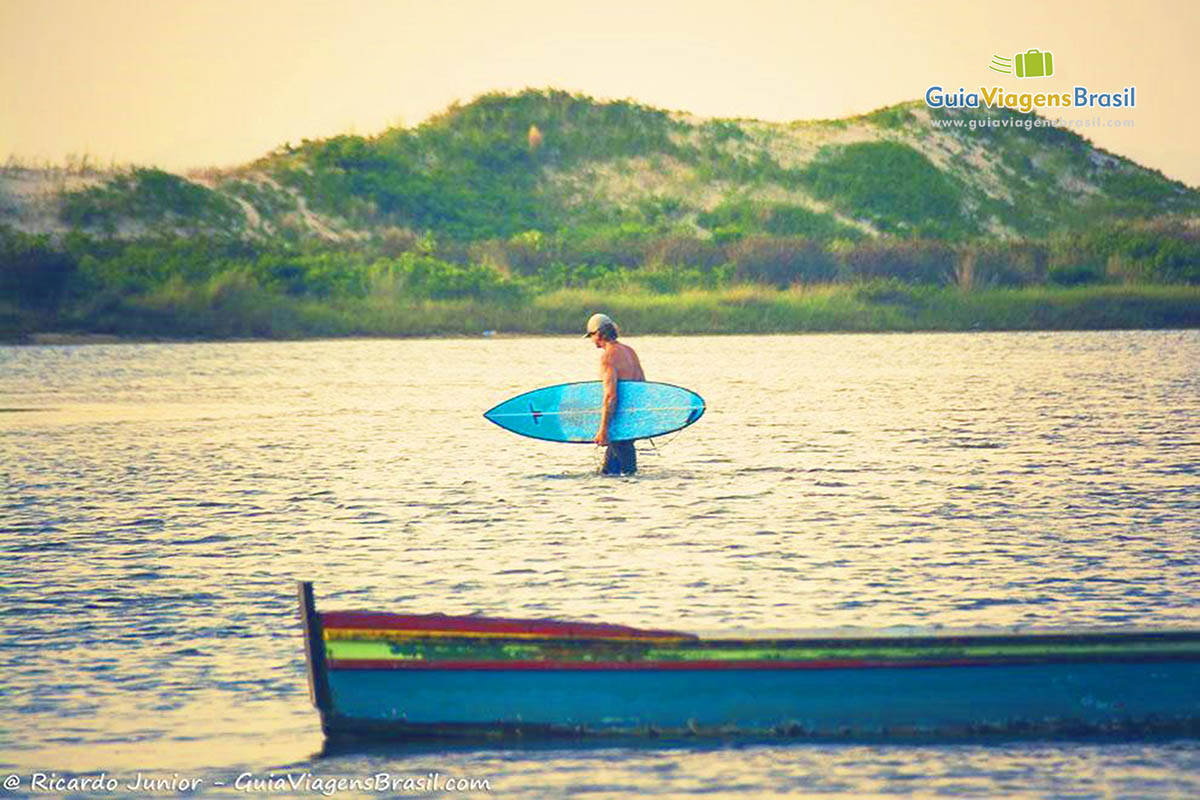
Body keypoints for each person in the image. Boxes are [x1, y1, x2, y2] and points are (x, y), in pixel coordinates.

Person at [584, 313, 645, 475]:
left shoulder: (608, 357)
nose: (591, 340)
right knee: (614, 471)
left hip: (618, 421)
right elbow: (642, 386)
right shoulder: (629, 351)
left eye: (591, 336)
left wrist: (603, 429)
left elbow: (610, 396)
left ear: (599, 334)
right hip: (632, 420)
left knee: (621, 472)